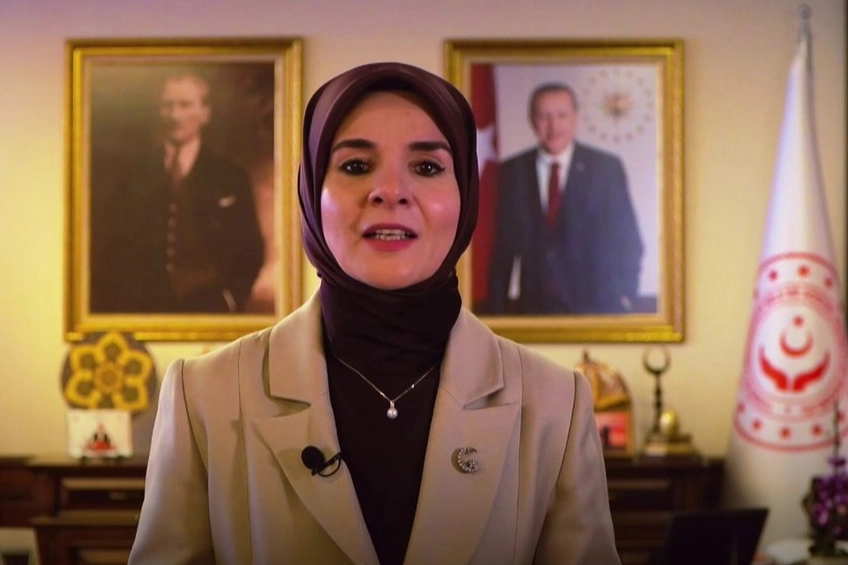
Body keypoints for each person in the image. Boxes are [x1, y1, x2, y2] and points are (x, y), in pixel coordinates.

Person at [128, 62, 620, 565]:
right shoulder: (202, 394)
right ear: (311, 192)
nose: (390, 191)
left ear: (466, 195)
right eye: (356, 166)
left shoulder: (556, 403)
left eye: (426, 167)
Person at [91, 69, 264, 314]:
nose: (175, 115)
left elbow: (250, 248)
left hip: (210, 306)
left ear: (205, 113)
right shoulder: (134, 175)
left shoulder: (230, 177)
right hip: (142, 308)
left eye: (185, 105)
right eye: (167, 106)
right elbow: (114, 248)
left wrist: (231, 298)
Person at [483, 82, 644, 315]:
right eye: (544, 116)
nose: (553, 126)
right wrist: (495, 313)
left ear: (576, 118)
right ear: (532, 120)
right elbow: (502, 250)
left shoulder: (606, 168)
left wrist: (625, 295)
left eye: (561, 115)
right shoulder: (512, 172)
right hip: (534, 310)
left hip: (598, 307)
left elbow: (628, 239)